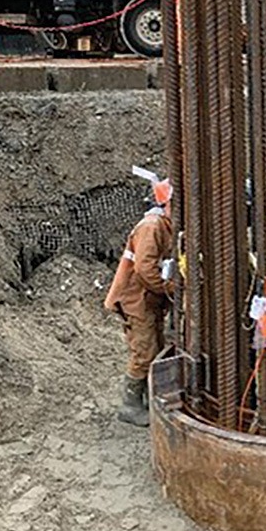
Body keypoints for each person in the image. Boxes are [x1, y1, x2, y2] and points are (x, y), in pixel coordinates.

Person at [105, 177, 174, 427]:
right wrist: (170, 289)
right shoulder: (152, 227)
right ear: (167, 204)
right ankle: (130, 405)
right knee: (145, 351)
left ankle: (145, 398)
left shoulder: (166, 225)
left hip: (148, 298)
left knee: (156, 346)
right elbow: (145, 269)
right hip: (135, 298)